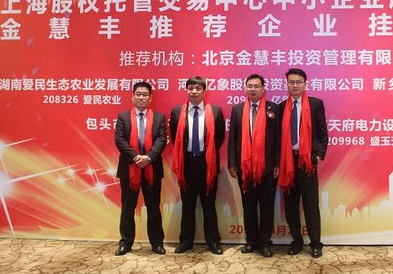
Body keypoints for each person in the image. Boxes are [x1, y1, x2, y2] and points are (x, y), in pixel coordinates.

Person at [169, 76, 226, 255]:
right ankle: (186, 241)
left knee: (209, 205)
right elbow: (175, 137)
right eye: (190, 88)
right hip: (186, 163)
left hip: (207, 163)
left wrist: (206, 154)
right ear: (186, 90)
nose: (194, 91)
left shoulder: (215, 111)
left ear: (204, 91)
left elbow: (219, 138)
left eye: (198, 88)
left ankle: (213, 242)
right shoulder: (177, 111)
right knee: (187, 205)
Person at [228, 74, 280, 257]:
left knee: (267, 206)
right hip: (245, 167)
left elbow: (278, 139)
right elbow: (233, 138)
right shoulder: (237, 110)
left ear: (263, 89)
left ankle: (265, 243)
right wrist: (232, 163)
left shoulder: (273, 109)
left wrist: (277, 163)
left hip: (267, 167)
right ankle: (251, 241)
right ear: (245, 88)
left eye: (256, 86)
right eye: (249, 86)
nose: (252, 89)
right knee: (248, 206)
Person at [113, 81, 168, 256]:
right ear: (132, 96)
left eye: (145, 94)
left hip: (152, 169)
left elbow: (162, 139)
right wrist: (136, 158)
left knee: (153, 208)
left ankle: (157, 243)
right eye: (138, 94)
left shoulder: (159, 117)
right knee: (127, 208)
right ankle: (125, 243)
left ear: (150, 98)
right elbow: (119, 140)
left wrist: (149, 158)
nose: (141, 97)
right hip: (129, 169)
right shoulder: (123, 117)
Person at [279, 68, 328, 258]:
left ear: (305, 84)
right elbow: (277, 139)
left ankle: (316, 244)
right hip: (288, 162)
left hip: (307, 162)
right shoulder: (281, 107)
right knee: (291, 206)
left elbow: (323, 134)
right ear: (287, 84)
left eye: (298, 82)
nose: (295, 85)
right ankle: (297, 241)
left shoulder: (316, 104)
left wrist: (319, 155)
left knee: (310, 204)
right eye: (291, 82)